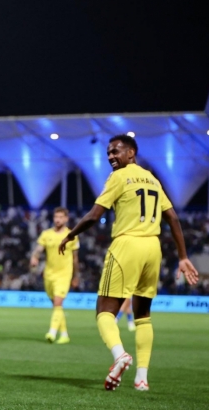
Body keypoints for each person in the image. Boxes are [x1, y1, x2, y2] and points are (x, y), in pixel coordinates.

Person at [60, 135, 198, 391]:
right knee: (143, 315)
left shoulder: (119, 177)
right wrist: (182, 256)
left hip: (127, 245)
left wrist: (71, 234)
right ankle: (141, 378)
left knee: (104, 310)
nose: (111, 156)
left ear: (131, 153)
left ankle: (120, 355)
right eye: (108, 153)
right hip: (153, 248)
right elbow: (172, 218)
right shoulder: (152, 178)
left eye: (116, 151)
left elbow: (94, 215)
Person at [30, 207, 80, 344]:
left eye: (60, 217)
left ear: (66, 219)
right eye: (56, 217)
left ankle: (51, 333)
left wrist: (76, 276)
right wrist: (34, 257)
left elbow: (75, 258)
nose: (57, 219)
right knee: (57, 306)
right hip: (49, 274)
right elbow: (38, 249)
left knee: (58, 302)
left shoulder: (72, 235)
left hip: (64, 274)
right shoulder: (46, 234)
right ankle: (64, 334)